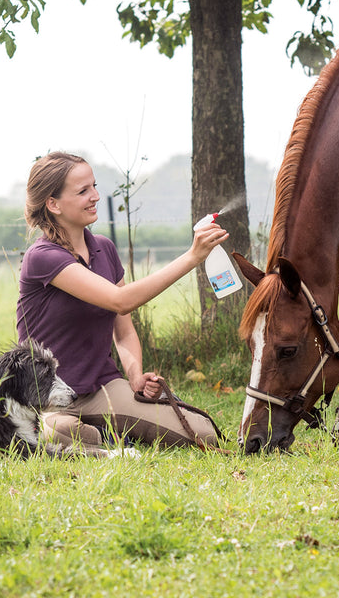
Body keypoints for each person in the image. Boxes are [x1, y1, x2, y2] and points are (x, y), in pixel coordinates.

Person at [16, 151, 227, 454]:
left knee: (203, 434)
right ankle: (108, 437)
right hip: (48, 395)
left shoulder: (104, 249)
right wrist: (192, 257)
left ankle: (108, 434)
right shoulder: (43, 257)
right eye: (83, 191)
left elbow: (124, 331)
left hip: (102, 386)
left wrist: (135, 375)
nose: (96, 196)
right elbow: (120, 300)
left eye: (94, 186)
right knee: (60, 432)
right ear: (53, 204)